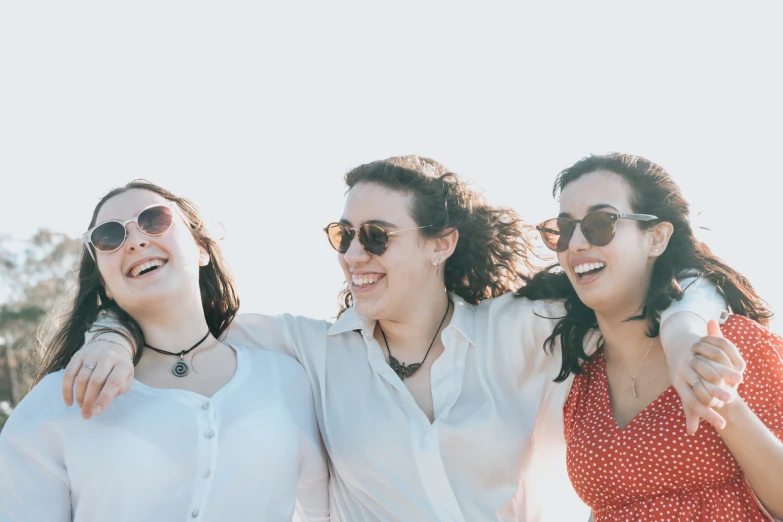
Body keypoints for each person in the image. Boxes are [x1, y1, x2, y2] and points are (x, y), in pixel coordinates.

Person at [63, 156, 728, 521]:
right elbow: (176, 320)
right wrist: (109, 334)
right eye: (341, 235)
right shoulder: (309, 350)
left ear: (441, 244)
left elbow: (664, 279)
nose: (353, 253)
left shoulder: (517, 329)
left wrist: (682, 329)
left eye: (376, 236)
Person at [0, 181, 329, 522]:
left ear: (201, 249)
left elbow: (326, 512)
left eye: (154, 220)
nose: (137, 241)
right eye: (109, 237)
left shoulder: (287, 380)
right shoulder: (57, 402)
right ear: (105, 286)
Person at [520, 153, 783, 520]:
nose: (576, 243)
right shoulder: (581, 378)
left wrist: (724, 402)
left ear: (656, 238)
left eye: (601, 223)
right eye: (563, 230)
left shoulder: (733, 343)